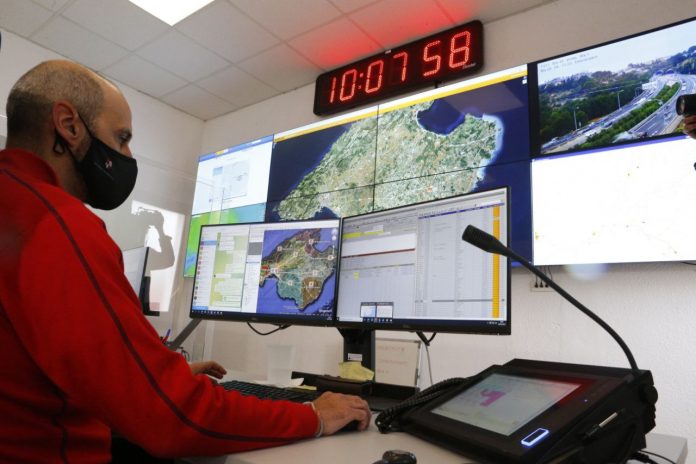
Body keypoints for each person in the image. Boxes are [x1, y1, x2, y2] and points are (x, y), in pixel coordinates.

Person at [0, 60, 371, 463]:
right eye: (121, 138)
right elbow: (172, 419)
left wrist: (150, 375)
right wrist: (312, 415)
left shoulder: (14, 207)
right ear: (69, 126)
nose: (126, 155)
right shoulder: (57, 225)